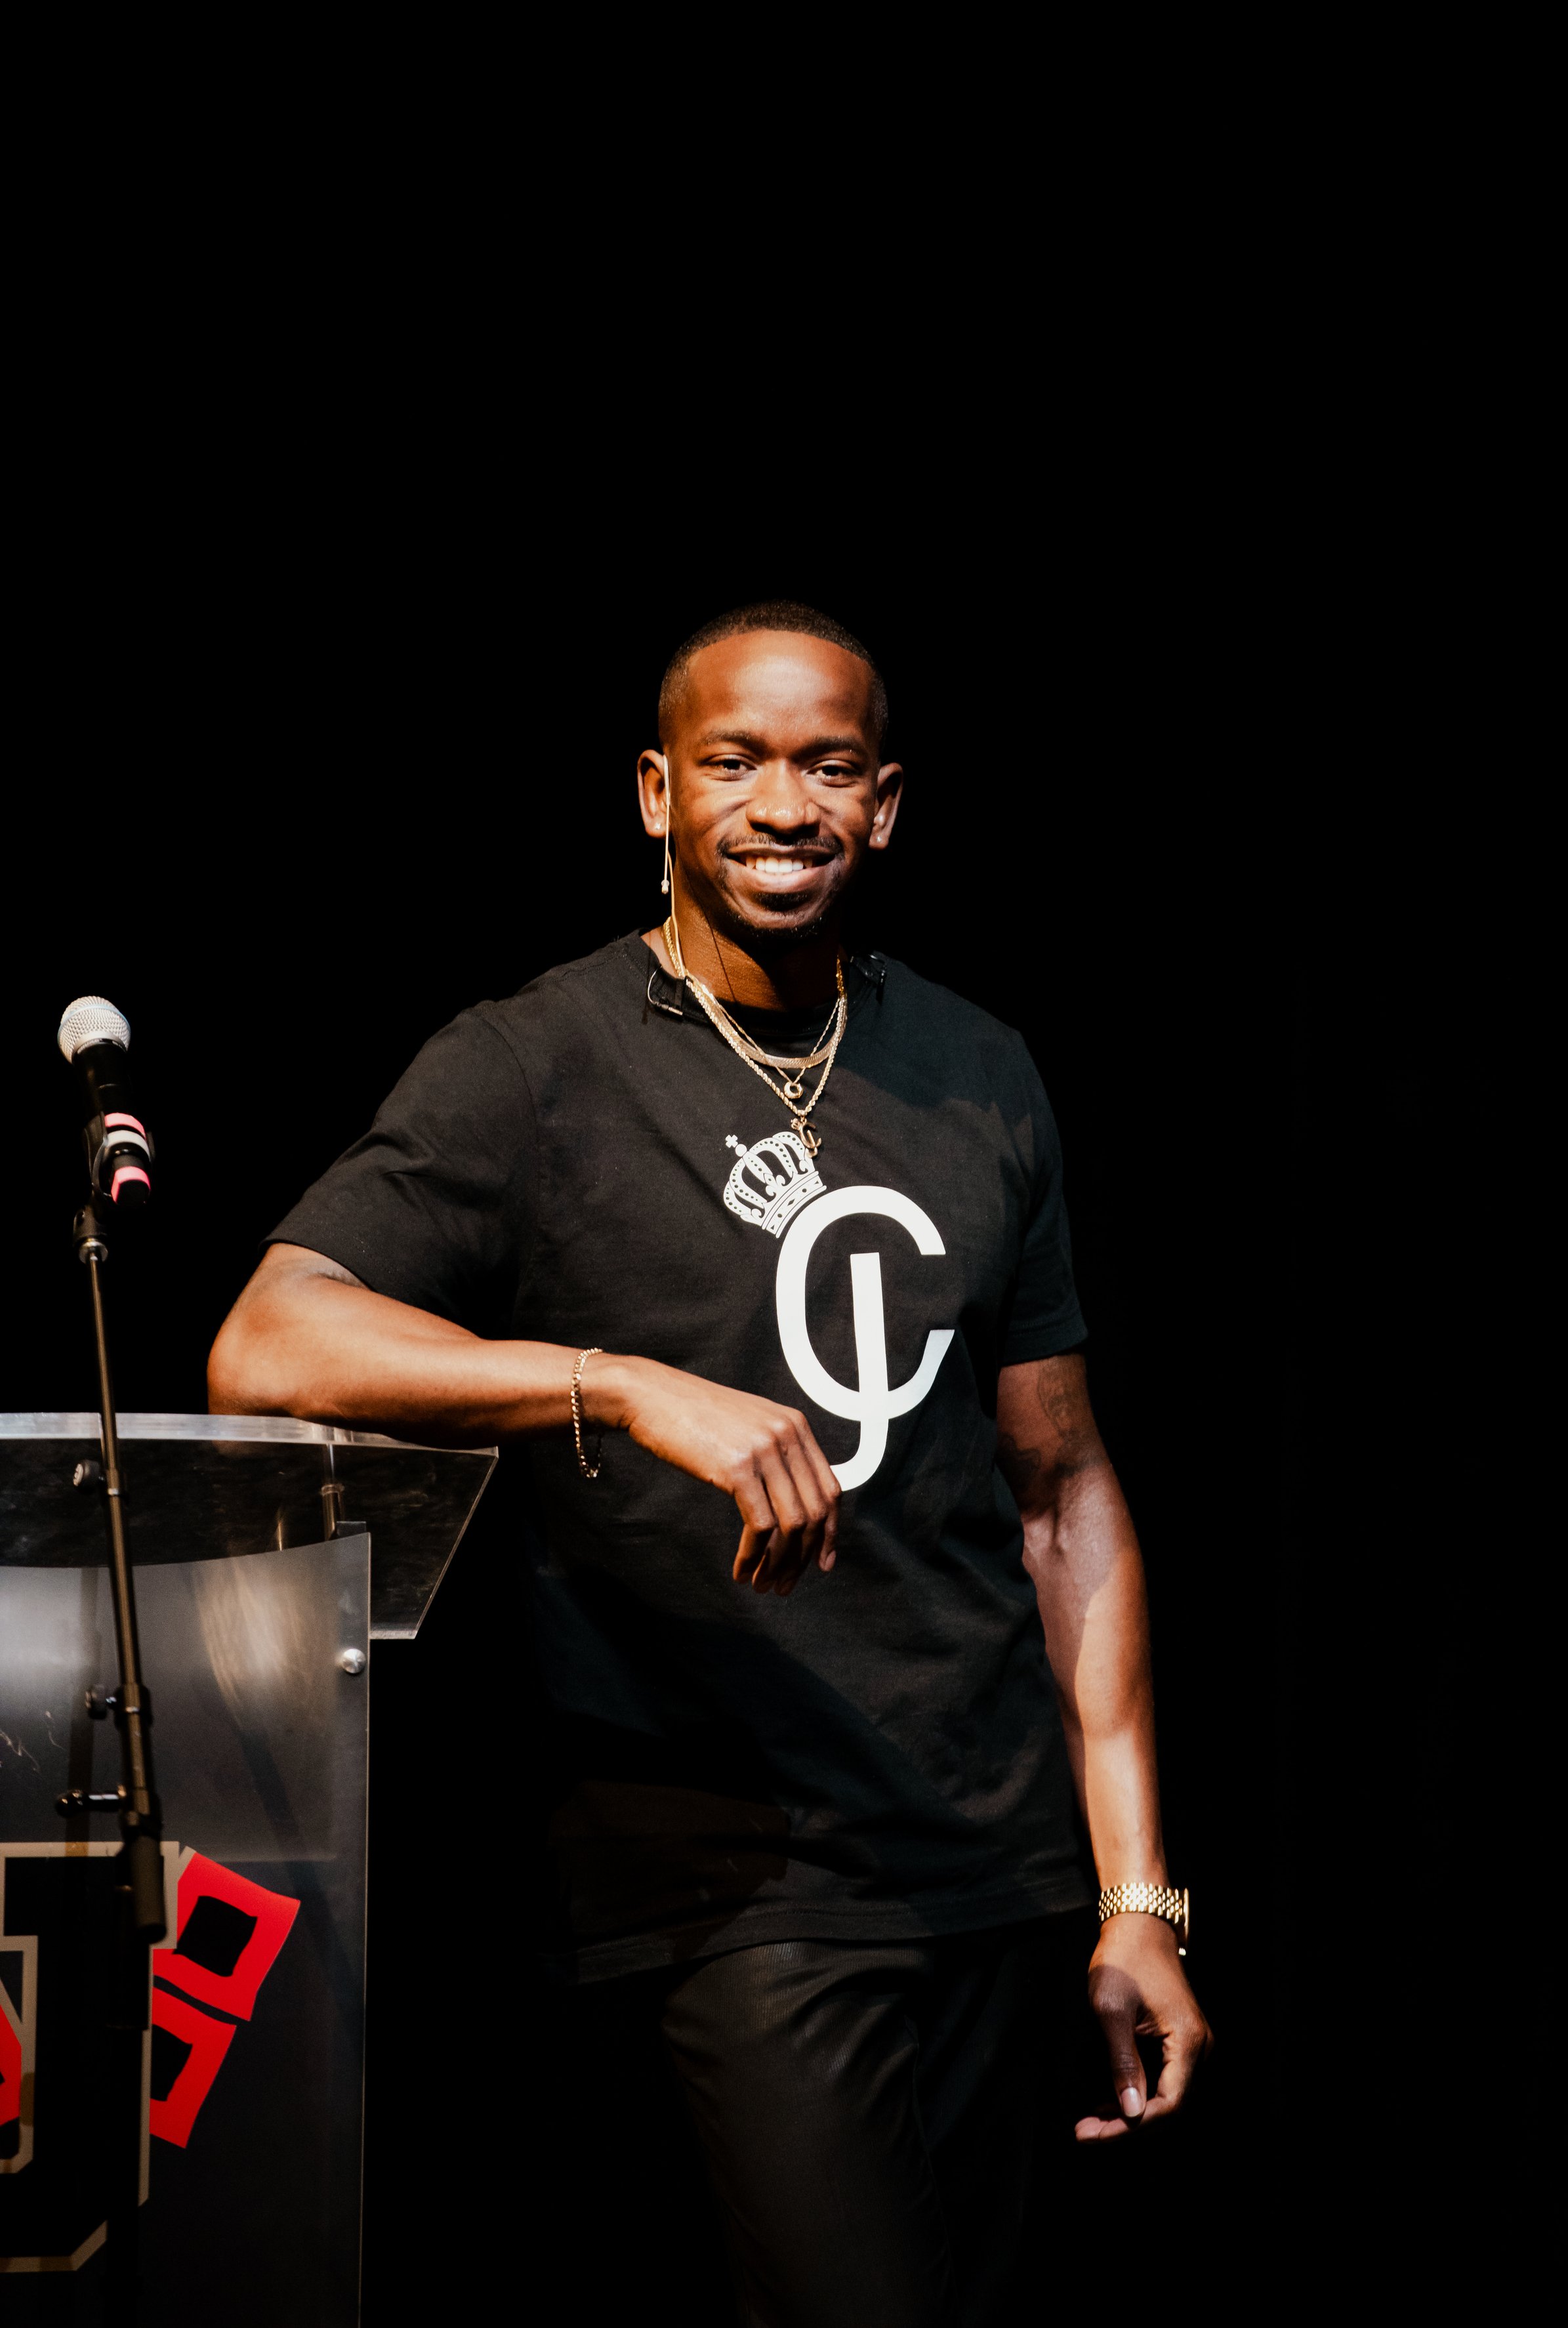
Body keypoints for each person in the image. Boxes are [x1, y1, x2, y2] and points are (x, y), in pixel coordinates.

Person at [208, 602, 1210, 2326]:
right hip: (734, 1872)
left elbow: (1062, 1496)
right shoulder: (537, 1062)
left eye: (829, 765)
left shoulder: (977, 1070)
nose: (784, 804)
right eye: (735, 762)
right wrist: (616, 1386)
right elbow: (268, 1341)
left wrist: (1137, 1895)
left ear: (884, 803)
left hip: (996, 1867)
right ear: (656, 792)